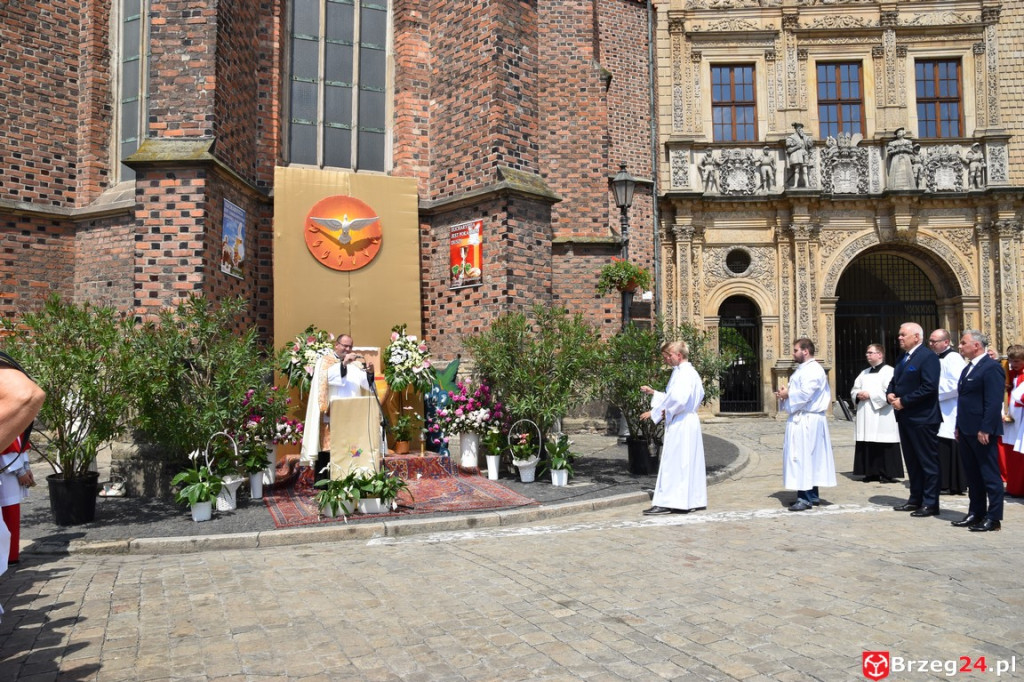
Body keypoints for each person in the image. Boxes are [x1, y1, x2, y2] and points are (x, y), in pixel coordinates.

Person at [638, 340, 707, 515]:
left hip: (680, 421)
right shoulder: (689, 372)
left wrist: (656, 413)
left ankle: (669, 501)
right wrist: (654, 393)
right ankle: (692, 498)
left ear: (679, 355)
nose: (667, 359)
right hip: (688, 419)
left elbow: (677, 400)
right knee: (688, 461)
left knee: (674, 462)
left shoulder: (684, 374)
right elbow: (675, 397)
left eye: (668, 355)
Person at [952, 330, 1005, 532]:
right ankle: (976, 512)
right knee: (973, 475)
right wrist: (958, 426)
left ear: (976, 345)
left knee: (989, 474)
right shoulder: (968, 369)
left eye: (963, 342)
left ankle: (994, 518)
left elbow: (993, 402)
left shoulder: (991, 368)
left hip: (982, 431)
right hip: (966, 430)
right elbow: (963, 401)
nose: (960, 346)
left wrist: (986, 428)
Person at [886, 322, 942, 516]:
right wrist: (890, 394)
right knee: (912, 461)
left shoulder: (927, 357)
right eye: (899, 335)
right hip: (905, 417)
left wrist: (905, 401)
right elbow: (896, 381)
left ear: (916, 337)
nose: (899, 338)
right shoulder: (903, 357)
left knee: (927, 462)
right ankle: (915, 498)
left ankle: (930, 502)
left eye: (903, 335)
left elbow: (929, 387)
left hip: (923, 418)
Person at [774, 338, 836, 511]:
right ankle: (813, 495)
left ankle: (805, 498)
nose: (793, 354)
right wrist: (785, 394)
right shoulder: (804, 369)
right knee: (810, 457)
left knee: (802, 457)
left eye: (795, 350)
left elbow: (805, 393)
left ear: (805, 351)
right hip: (805, 417)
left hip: (807, 419)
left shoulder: (813, 370)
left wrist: (787, 394)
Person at [0, 353, 45, 573]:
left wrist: (24, 466)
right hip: (6, 469)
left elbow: (18, 440)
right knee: (8, 511)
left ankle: (11, 555)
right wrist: (18, 470)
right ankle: (9, 556)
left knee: (11, 512)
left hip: (12, 465)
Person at [300, 333, 372, 468]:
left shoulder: (355, 364)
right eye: (345, 346)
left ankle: (353, 472)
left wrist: (370, 373)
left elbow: (365, 385)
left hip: (352, 413)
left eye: (350, 346)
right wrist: (344, 364)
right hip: (332, 413)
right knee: (330, 447)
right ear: (336, 345)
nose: (348, 349)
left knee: (353, 445)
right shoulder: (325, 361)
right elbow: (330, 379)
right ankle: (327, 481)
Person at [850, 344, 903, 483]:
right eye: (867, 353)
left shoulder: (889, 371)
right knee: (867, 440)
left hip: (882, 413)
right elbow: (854, 389)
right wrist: (858, 394)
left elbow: (890, 390)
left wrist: (870, 395)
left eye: (870, 352)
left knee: (884, 440)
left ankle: (887, 473)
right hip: (865, 412)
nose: (867, 355)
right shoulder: (864, 373)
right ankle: (870, 472)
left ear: (880, 354)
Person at [930, 328, 968, 494]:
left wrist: (931, 393)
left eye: (934, 341)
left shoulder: (954, 358)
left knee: (949, 445)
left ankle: (952, 483)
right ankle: (942, 481)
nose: (931, 344)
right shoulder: (935, 358)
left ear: (946, 342)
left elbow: (955, 385)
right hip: (939, 409)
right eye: (930, 341)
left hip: (950, 408)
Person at [998, 345, 1024, 496]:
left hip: (1021, 420)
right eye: (1012, 361)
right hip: (1010, 419)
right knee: (1010, 454)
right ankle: (1012, 487)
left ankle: (1019, 488)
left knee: (1019, 457)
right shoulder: (1010, 373)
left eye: (1017, 362)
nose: (1014, 365)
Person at [785, 123, 814, 188]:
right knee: (797, 170)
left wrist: (805, 138)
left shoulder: (805, 137)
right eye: (798, 128)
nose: (800, 129)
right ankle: (795, 185)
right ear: (796, 129)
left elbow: (810, 145)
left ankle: (807, 184)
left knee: (805, 170)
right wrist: (797, 147)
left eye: (801, 128)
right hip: (797, 155)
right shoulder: (791, 137)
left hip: (804, 154)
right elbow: (788, 149)